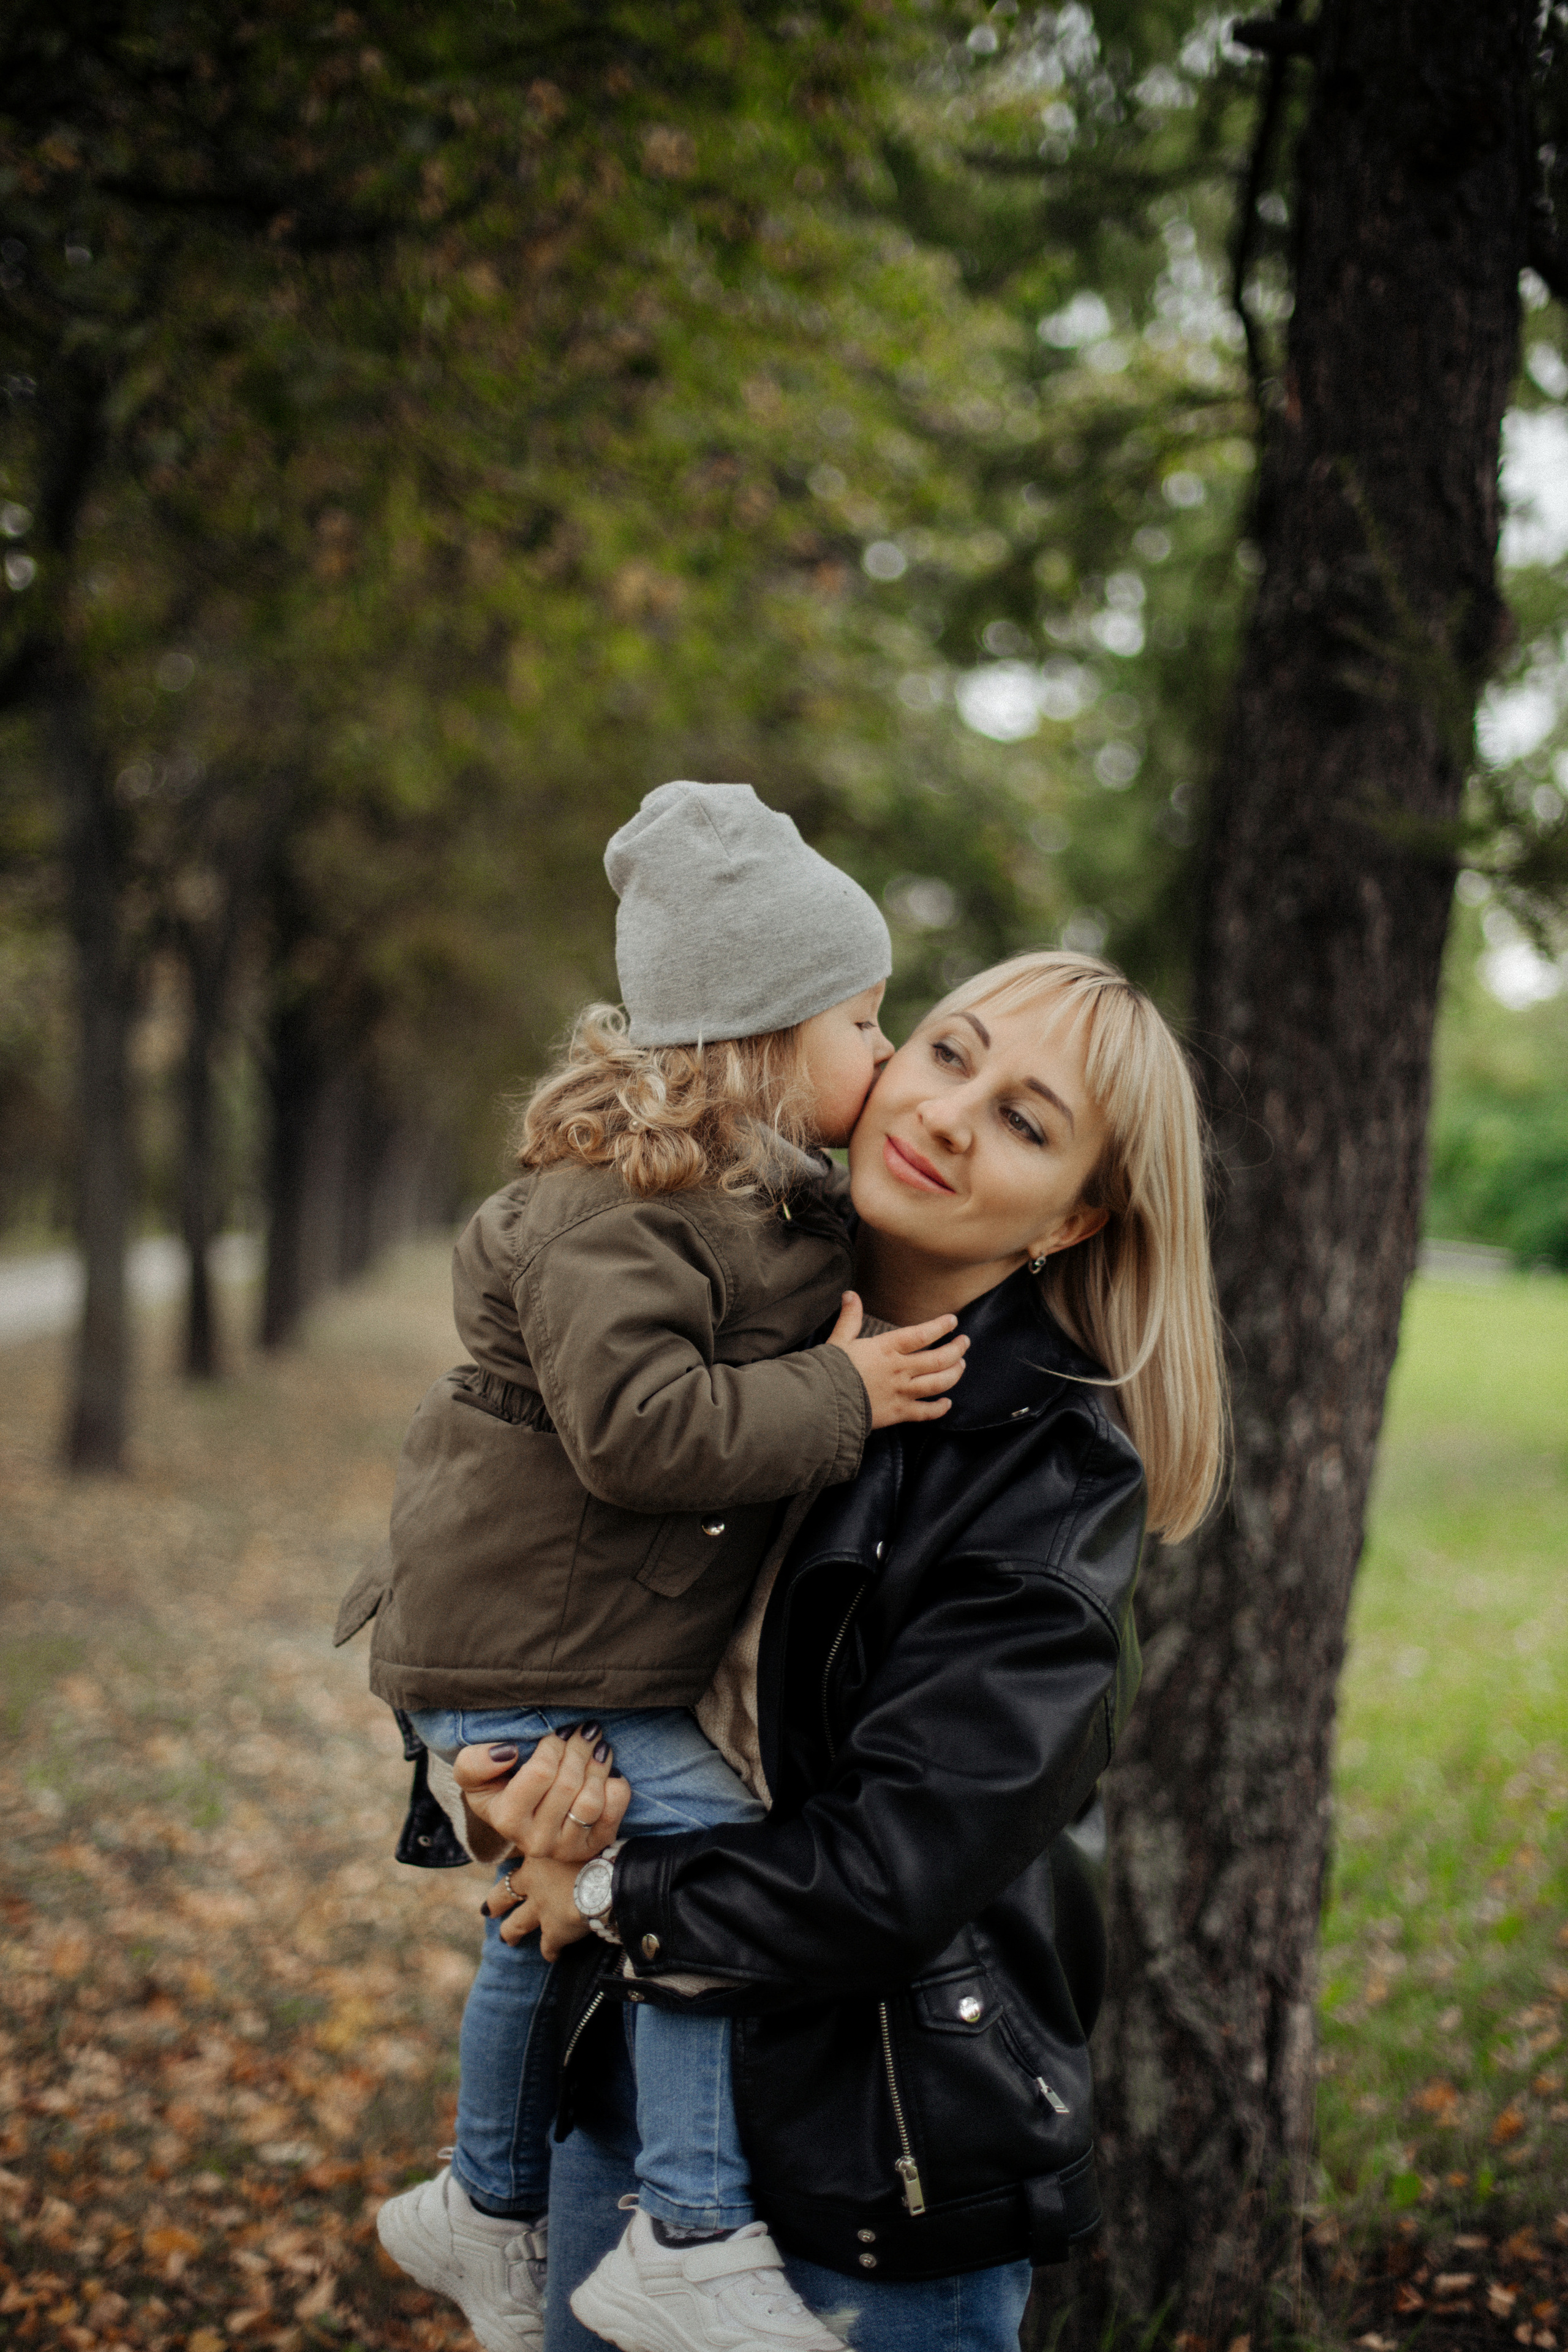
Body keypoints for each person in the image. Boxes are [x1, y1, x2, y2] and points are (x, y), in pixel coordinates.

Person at [453, 948, 1229, 2352]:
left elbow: (897, 1864)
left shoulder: (1048, 1476)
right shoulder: (709, 1320)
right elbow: (504, 1590)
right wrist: (492, 1782)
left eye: (1024, 1120)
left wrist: (609, 1882)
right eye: (947, 1054)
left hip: (870, 2160)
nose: (945, 1113)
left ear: (1074, 1219)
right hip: (618, 2091)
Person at [336, 781, 973, 2352]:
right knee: (684, 1862)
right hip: (521, 1645)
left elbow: (720, 1349)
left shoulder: (711, 1203)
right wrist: (848, 1388)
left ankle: (483, 2199)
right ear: (760, 1039)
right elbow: (639, 1431)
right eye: (864, 1022)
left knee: (564, 1896)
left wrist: (820, 1331)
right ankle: (684, 2230)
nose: (886, 1059)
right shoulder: (611, 1214)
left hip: (544, 1638)